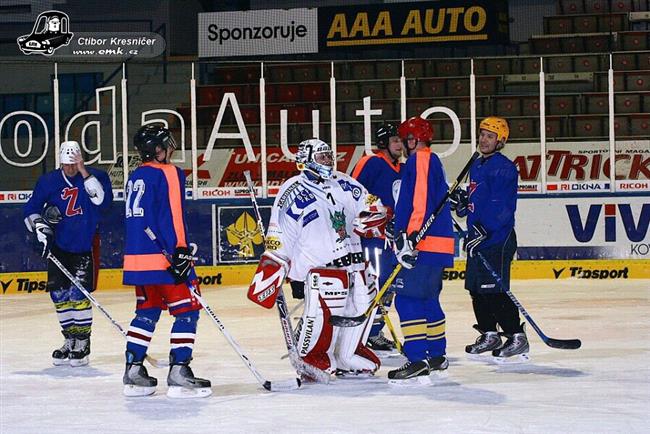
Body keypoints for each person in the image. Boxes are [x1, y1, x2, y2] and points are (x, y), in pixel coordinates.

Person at [247, 138, 390, 378]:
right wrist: (275, 262)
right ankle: (311, 356)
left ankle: (348, 355)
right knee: (324, 317)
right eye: (321, 157)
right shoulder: (292, 189)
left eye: (329, 156)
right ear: (306, 160)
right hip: (321, 270)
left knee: (362, 308)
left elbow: (371, 203)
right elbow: (280, 230)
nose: (328, 161)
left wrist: (375, 215)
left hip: (355, 266)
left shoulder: (345, 182)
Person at [122, 124, 211, 398]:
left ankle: (133, 371)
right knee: (187, 310)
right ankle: (179, 371)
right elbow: (174, 215)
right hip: (165, 258)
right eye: (167, 144)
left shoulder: (135, 175)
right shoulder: (169, 172)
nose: (171, 148)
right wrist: (181, 251)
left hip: (137, 260)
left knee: (146, 312)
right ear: (157, 149)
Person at [23, 141, 112, 367]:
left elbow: (103, 202)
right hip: (58, 247)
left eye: (74, 165)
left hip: (85, 245)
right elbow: (30, 209)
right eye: (66, 165)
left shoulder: (97, 176)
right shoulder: (48, 181)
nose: (70, 169)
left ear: (81, 160)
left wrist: (83, 172)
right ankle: (70, 339)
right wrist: (40, 226)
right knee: (59, 296)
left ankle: (83, 342)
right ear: (60, 162)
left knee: (78, 295)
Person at [449, 116, 527, 363]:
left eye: (490, 136)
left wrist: (486, 229)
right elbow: (476, 203)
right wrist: (462, 204)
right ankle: (490, 333)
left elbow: (503, 206)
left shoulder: (504, 167)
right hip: (477, 238)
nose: (484, 139)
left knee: (493, 290)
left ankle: (516, 336)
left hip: (497, 238)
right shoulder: (478, 165)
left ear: (500, 141)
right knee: (475, 289)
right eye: (482, 134)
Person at [389, 116, 455, 384]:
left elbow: (418, 201)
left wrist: (409, 237)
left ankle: (417, 359)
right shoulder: (431, 160)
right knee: (429, 299)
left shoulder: (421, 159)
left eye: (405, 139)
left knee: (407, 300)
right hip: (434, 245)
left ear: (413, 139)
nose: (404, 144)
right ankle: (437, 355)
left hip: (422, 244)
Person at [350, 123, 403, 356]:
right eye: (395, 141)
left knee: (388, 284)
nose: (400, 145)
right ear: (383, 143)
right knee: (374, 282)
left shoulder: (401, 168)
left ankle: (375, 331)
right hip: (372, 237)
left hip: (391, 239)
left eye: (401, 140)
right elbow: (351, 193)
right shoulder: (370, 162)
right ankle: (367, 332)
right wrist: (376, 214)